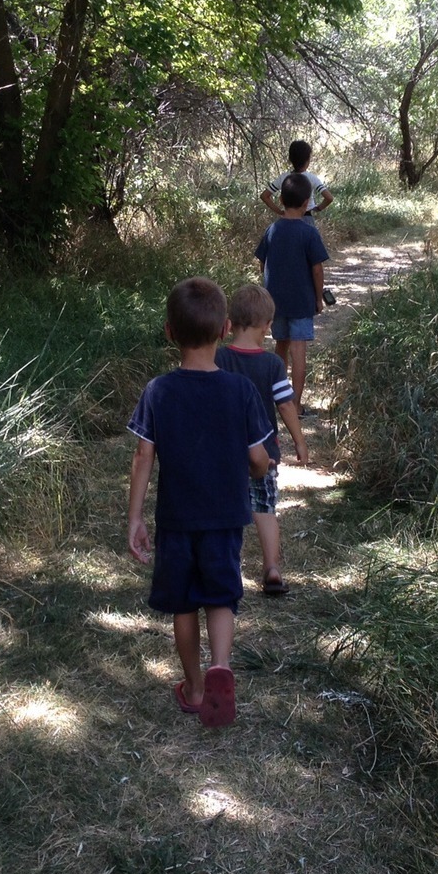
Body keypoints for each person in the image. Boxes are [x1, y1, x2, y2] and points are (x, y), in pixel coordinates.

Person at [127, 277, 272, 728]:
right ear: (225, 327)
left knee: (184, 604)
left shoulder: (158, 391)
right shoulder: (241, 391)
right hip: (226, 516)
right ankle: (221, 667)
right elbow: (258, 458)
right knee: (222, 595)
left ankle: (192, 688)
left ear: (169, 332)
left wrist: (135, 517)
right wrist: (259, 470)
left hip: (177, 518)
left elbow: (142, 455)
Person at [216, 285, 309, 596]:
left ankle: (224, 568)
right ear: (268, 326)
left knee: (226, 509)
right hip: (264, 452)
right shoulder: (272, 365)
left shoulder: (218, 357)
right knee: (265, 508)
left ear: (230, 323)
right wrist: (300, 441)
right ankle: (271, 567)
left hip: (223, 451)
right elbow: (285, 404)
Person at [255, 173, 329, 415]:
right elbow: (317, 269)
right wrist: (318, 298)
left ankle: (278, 398)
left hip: (276, 303)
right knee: (299, 352)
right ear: (307, 202)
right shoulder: (308, 233)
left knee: (280, 347)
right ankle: (295, 406)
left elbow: (262, 262)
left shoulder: (272, 229)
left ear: (282, 199)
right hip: (301, 302)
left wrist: (267, 292)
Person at [262, 138, 334, 221]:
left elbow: (264, 196)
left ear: (291, 159)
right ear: (307, 160)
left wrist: (280, 212)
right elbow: (329, 198)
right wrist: (318, 208)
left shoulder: (283, 177)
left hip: (287, 218)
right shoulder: (312, 178)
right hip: (307, 217)